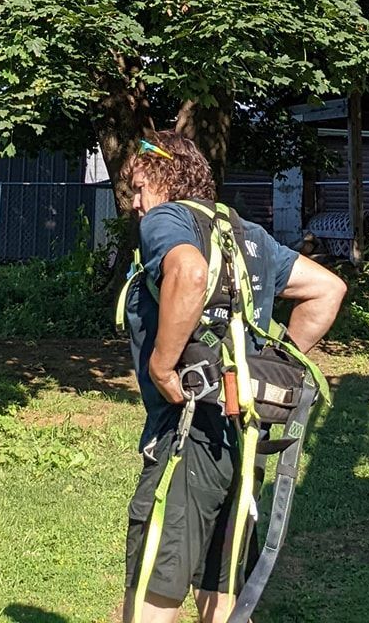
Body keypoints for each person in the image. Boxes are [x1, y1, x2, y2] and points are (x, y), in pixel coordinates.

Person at [120, 129, 346, 623]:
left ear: (165, 175)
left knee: (154, 583)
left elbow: (190, 273)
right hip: (243, 438)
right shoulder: (246, 232)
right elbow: (328, 289)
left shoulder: (167, 219)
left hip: (186, 437)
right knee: (220, 583)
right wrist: (273, 365)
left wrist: (162, 364)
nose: (134, 204)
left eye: (137, 187)